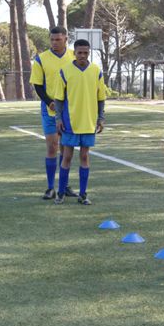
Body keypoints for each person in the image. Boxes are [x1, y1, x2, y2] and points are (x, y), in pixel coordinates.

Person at [53, 39, 107, 206]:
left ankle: (83, 194)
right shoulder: (65, 71)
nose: (82, 55)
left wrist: (101, 118)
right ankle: (61, 193)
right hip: (70, 122)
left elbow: (101, 98)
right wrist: (58, 118)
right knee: (67, 156)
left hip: (89, 122)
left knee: (84, 156)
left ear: (89, 52)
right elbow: (59, 99)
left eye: (85, 52)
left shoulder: (96, 71)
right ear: (74, 52)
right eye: (79, 52)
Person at [29, 26, 77, 200]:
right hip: (49, 109)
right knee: (52, 146)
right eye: (52, 39)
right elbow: (37, 85)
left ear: (66, 39)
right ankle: (50, 188)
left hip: (69, 110)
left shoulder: (74, 56)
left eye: (58, 39)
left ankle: (64, 186)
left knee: (67, 149)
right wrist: (49, 102)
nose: (54, 43)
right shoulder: (41, 59)